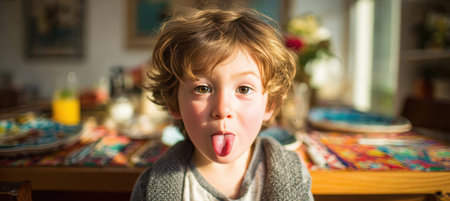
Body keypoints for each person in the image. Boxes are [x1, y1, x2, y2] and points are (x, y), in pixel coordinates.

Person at [131, 7, 313, 201]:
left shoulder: (293, 176)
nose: (222, 109)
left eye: (243, 89)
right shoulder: (151, 188)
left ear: (270, 105)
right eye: (202, 89)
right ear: (174, 103)